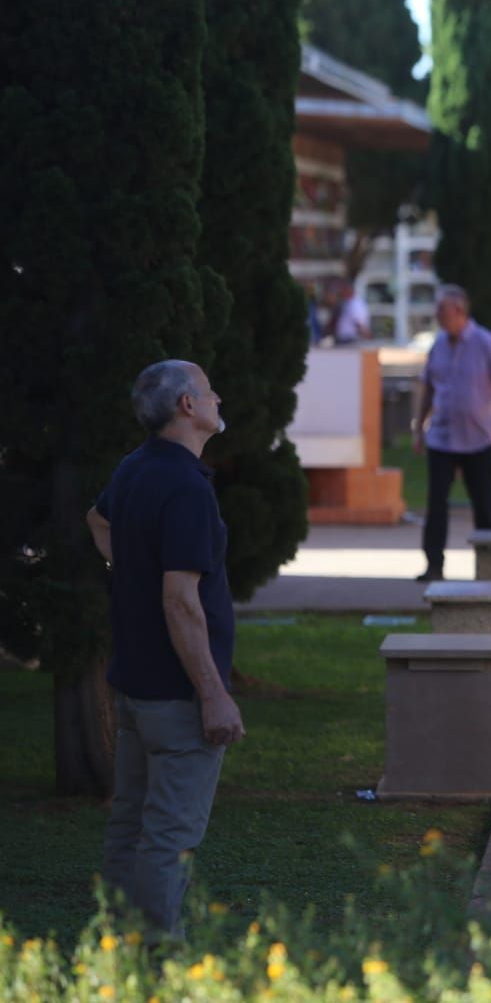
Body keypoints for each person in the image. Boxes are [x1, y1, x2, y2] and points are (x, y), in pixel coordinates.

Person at [86, 360, 244, 940]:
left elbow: (95, 520)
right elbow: (181, 602)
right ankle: (154, 958)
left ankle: (118, 948)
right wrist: (214, 695)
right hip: (177, 697)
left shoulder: (135, 467)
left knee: (129, 826)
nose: (217, 396)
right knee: (168, 838)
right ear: (187, 405)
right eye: (208, 390)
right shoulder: (184, 486)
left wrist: (128, 567)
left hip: (134, 687)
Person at [411, 285, 491, 581]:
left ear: (458, 311)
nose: (437, 316)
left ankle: (488, 568)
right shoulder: (438, 345)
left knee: (484, 506)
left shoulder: (485, 343)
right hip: (441, 439)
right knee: (436, 505)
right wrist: (418, 427)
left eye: (441, 311)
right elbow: (428, 387)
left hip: (477, 440)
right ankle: (434, 566)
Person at [330, 279, 371, 345]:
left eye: (343, 290)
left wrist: (366, 336)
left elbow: (358, 322)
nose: (341, 293)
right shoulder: (348, 302)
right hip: (345, 338)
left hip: (349, 339)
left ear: (349, 290)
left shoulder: (355, 304)